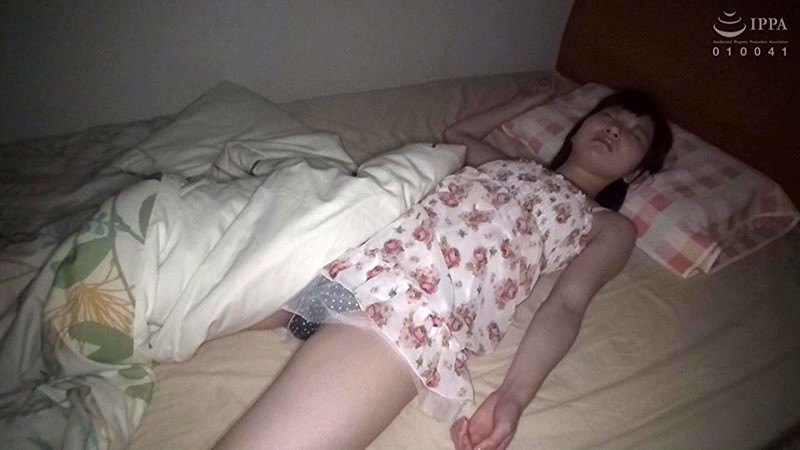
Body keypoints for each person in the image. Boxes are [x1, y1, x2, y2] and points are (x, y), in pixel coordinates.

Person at [215, 82, 673, 450]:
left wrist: (513, 395)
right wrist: (525, 101)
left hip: (420, 307)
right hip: (353, 247)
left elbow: (567, 305)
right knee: (178, 304)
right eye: (612, 116)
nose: (618, 129)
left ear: (634, 173)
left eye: (635, 134)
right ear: (578, 128)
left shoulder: (605, 224)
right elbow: (457, 133)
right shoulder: (512, 165)